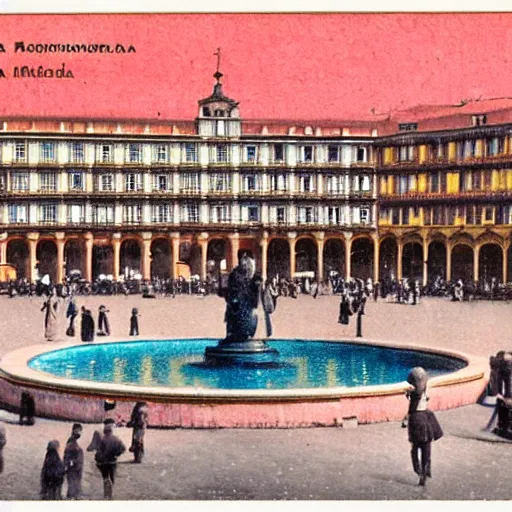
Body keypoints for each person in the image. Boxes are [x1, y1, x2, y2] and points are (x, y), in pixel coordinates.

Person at [404, 367, 443, 486]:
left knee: (415, 449)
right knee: (426, 448)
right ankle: (425, 471)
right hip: (426, 419)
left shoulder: (414, 394)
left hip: (417, 420)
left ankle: (419, 470)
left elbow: (411, 409)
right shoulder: (425, 390)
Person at [94, 421, 126, 500]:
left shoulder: (102, 440)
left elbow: (98, 452)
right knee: (112, 479)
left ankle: (106, 494)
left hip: (104, 462)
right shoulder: (116, 439)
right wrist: (117, 454)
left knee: (105, 478)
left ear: (105, 432)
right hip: (112, 462)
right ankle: (110, 495)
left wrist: (98, 459)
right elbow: (123, 449)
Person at [63, 423, 84, 500]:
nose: (80, 432)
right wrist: (71, 462)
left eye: (80, 431)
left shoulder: (73, 440)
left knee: (74, 482)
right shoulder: (71, 441)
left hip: (75, 466)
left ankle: (74, 496)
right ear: (74, 430)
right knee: (73, 482)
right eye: (78, 430)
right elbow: (68, 454)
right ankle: (72, 497)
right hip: (73, 466)